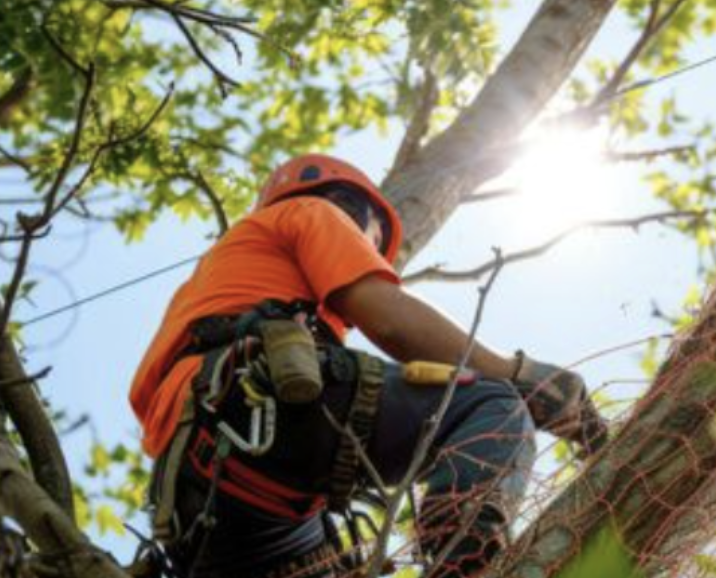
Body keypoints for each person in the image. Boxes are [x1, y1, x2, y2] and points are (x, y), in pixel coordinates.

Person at [129, 154, 607, 578]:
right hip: (250, 409)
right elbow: (387, 317)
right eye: (372, 241)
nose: (372, 252)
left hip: (200, 497)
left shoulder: (214, 285)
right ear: (350, 206)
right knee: (489, 405)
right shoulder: (311, 211)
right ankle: (465, 562)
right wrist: (520, 374)